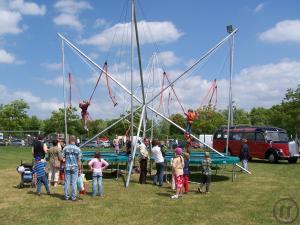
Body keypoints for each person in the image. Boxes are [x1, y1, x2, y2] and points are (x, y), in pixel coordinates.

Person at [61, 135, 82, 201]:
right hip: (75, 167)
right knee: (74, 183)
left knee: (67, 182)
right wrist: (80, 168)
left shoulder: (65, 148)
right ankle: (73, 197)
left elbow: (62, 158)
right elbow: (79, 160)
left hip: (67, 167)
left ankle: (66, 197)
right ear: (75, 140)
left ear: (69, 140)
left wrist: (64, 161)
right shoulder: (78, 149)